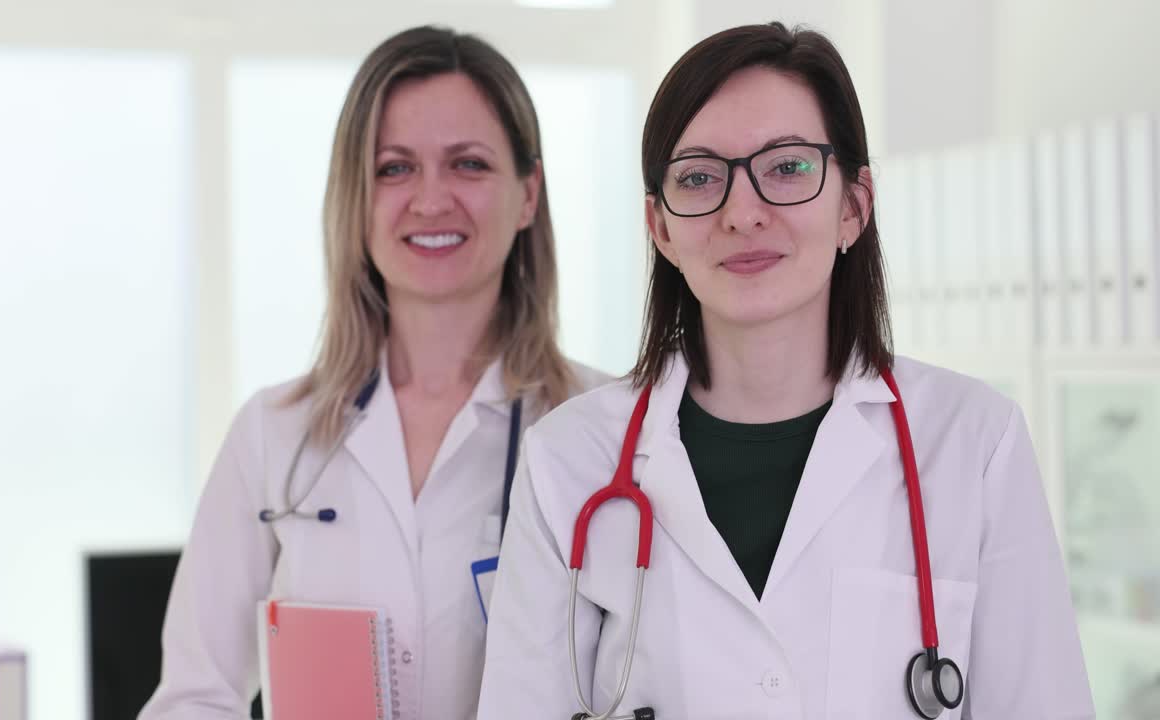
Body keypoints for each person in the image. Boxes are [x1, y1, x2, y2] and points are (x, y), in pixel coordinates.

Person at [478, 22, 1094, 719]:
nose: (743, 212)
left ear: (854, 207)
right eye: (700, 177)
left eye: (788, 167)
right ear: (661, 228)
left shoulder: (975, 443)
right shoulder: (569, 462)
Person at [139, 25, 607, 720]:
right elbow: (195, 696)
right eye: (394, 167)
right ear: (356, 201)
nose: (430, 199)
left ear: (528, 194)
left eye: (468, 164)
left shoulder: (603, 429)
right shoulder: (274, 434)